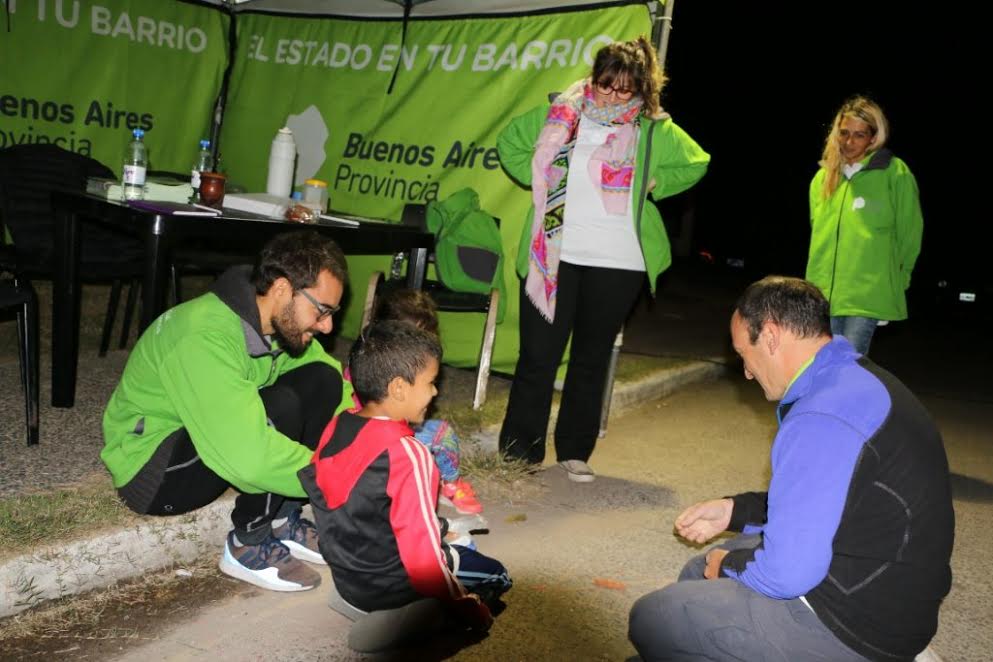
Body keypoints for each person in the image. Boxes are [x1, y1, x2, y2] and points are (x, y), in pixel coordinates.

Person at [628, 276, 954, 661]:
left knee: (652, 618)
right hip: (880, 587)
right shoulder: (849, 381)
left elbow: (787, 573)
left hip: (857, 624)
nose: (746, 372)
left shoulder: (823, 414)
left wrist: (728, 565)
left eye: (743, 353)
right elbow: (820, 503)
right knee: (698, 571)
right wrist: (735, 510)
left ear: (769, 336)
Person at [496, 36, 710, 481]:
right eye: (605, 84)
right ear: (593, 78)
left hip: (618, 261)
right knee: (538, 356)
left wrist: (655, 182)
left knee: (590, 359)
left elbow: (696, 162)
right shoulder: (561, 113)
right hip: (553, 256)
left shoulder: (652, 128)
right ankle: (519, 453)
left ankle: (575, 451)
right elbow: (510, 143)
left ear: (640, 89)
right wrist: (540, 175)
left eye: (623, 89)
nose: (611, 95)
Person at [102, 231, 354, 592]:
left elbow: (332, 383)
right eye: (322, 310)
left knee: (322, 379)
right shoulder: (203, 335)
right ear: (282, 289)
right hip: (154, 472)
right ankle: (247, 545)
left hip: (205, 440)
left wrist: (362, 447)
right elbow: (251, 457)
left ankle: (284, 519)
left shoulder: (273, 322)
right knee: (279, 409)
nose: (327, 326)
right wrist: (338, 478)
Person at [299, 321, 511, 653]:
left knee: (450, 546)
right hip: (390, 586)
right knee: (497, 576)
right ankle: (410, 621)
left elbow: (360, 505)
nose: (435, 393)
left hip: (348, 576)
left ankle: (361, 604)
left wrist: (439, 529)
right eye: (431, 382)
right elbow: (422, 558)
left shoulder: (338, 426)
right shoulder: (408, 454)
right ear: (399, 388)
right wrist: (469, 609)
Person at [805, 95, 924, 356]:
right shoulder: (823, 178)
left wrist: (899, 282)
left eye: (859, 135)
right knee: (824, 365)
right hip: (822, 294)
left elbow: (910, 233)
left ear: (873, 138)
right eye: (844, 133)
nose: (849, 142)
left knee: (848, 365)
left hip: (866, 295)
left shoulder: (894, 173)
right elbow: (818, 234)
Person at [371, 287, 482, 514]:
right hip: (377, 442)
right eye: (412, 338)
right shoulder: (369, 365)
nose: (420, 346)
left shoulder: (421, 368)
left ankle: (449, 483)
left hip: (404, 433)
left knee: (442, 433)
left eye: (426, 338)